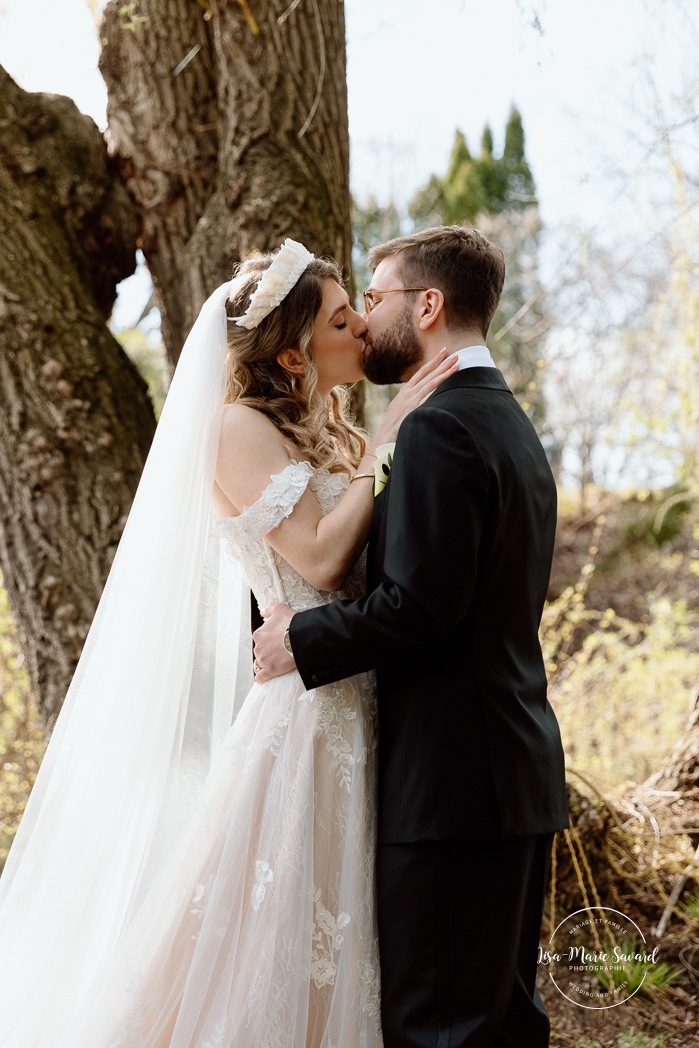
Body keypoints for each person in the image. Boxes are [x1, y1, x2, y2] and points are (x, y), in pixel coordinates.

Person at [0, 238, 457, 1047]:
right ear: (290, 352)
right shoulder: (235, 427)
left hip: (356, 702)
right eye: (341, 320)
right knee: (259, 943)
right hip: (302, 716)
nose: (361, 331)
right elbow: (317, 556)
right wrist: (388, 444)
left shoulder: (328, 429)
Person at [253, 225, 570, 1047]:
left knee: (439, 1029)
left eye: (376, 298)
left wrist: (303, 640)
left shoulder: (433, 428)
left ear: (427, 306)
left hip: (449, 787)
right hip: (509, 773)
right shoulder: (510, 424)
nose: (364, 319)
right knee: (498, 1023)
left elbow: (423, 605)